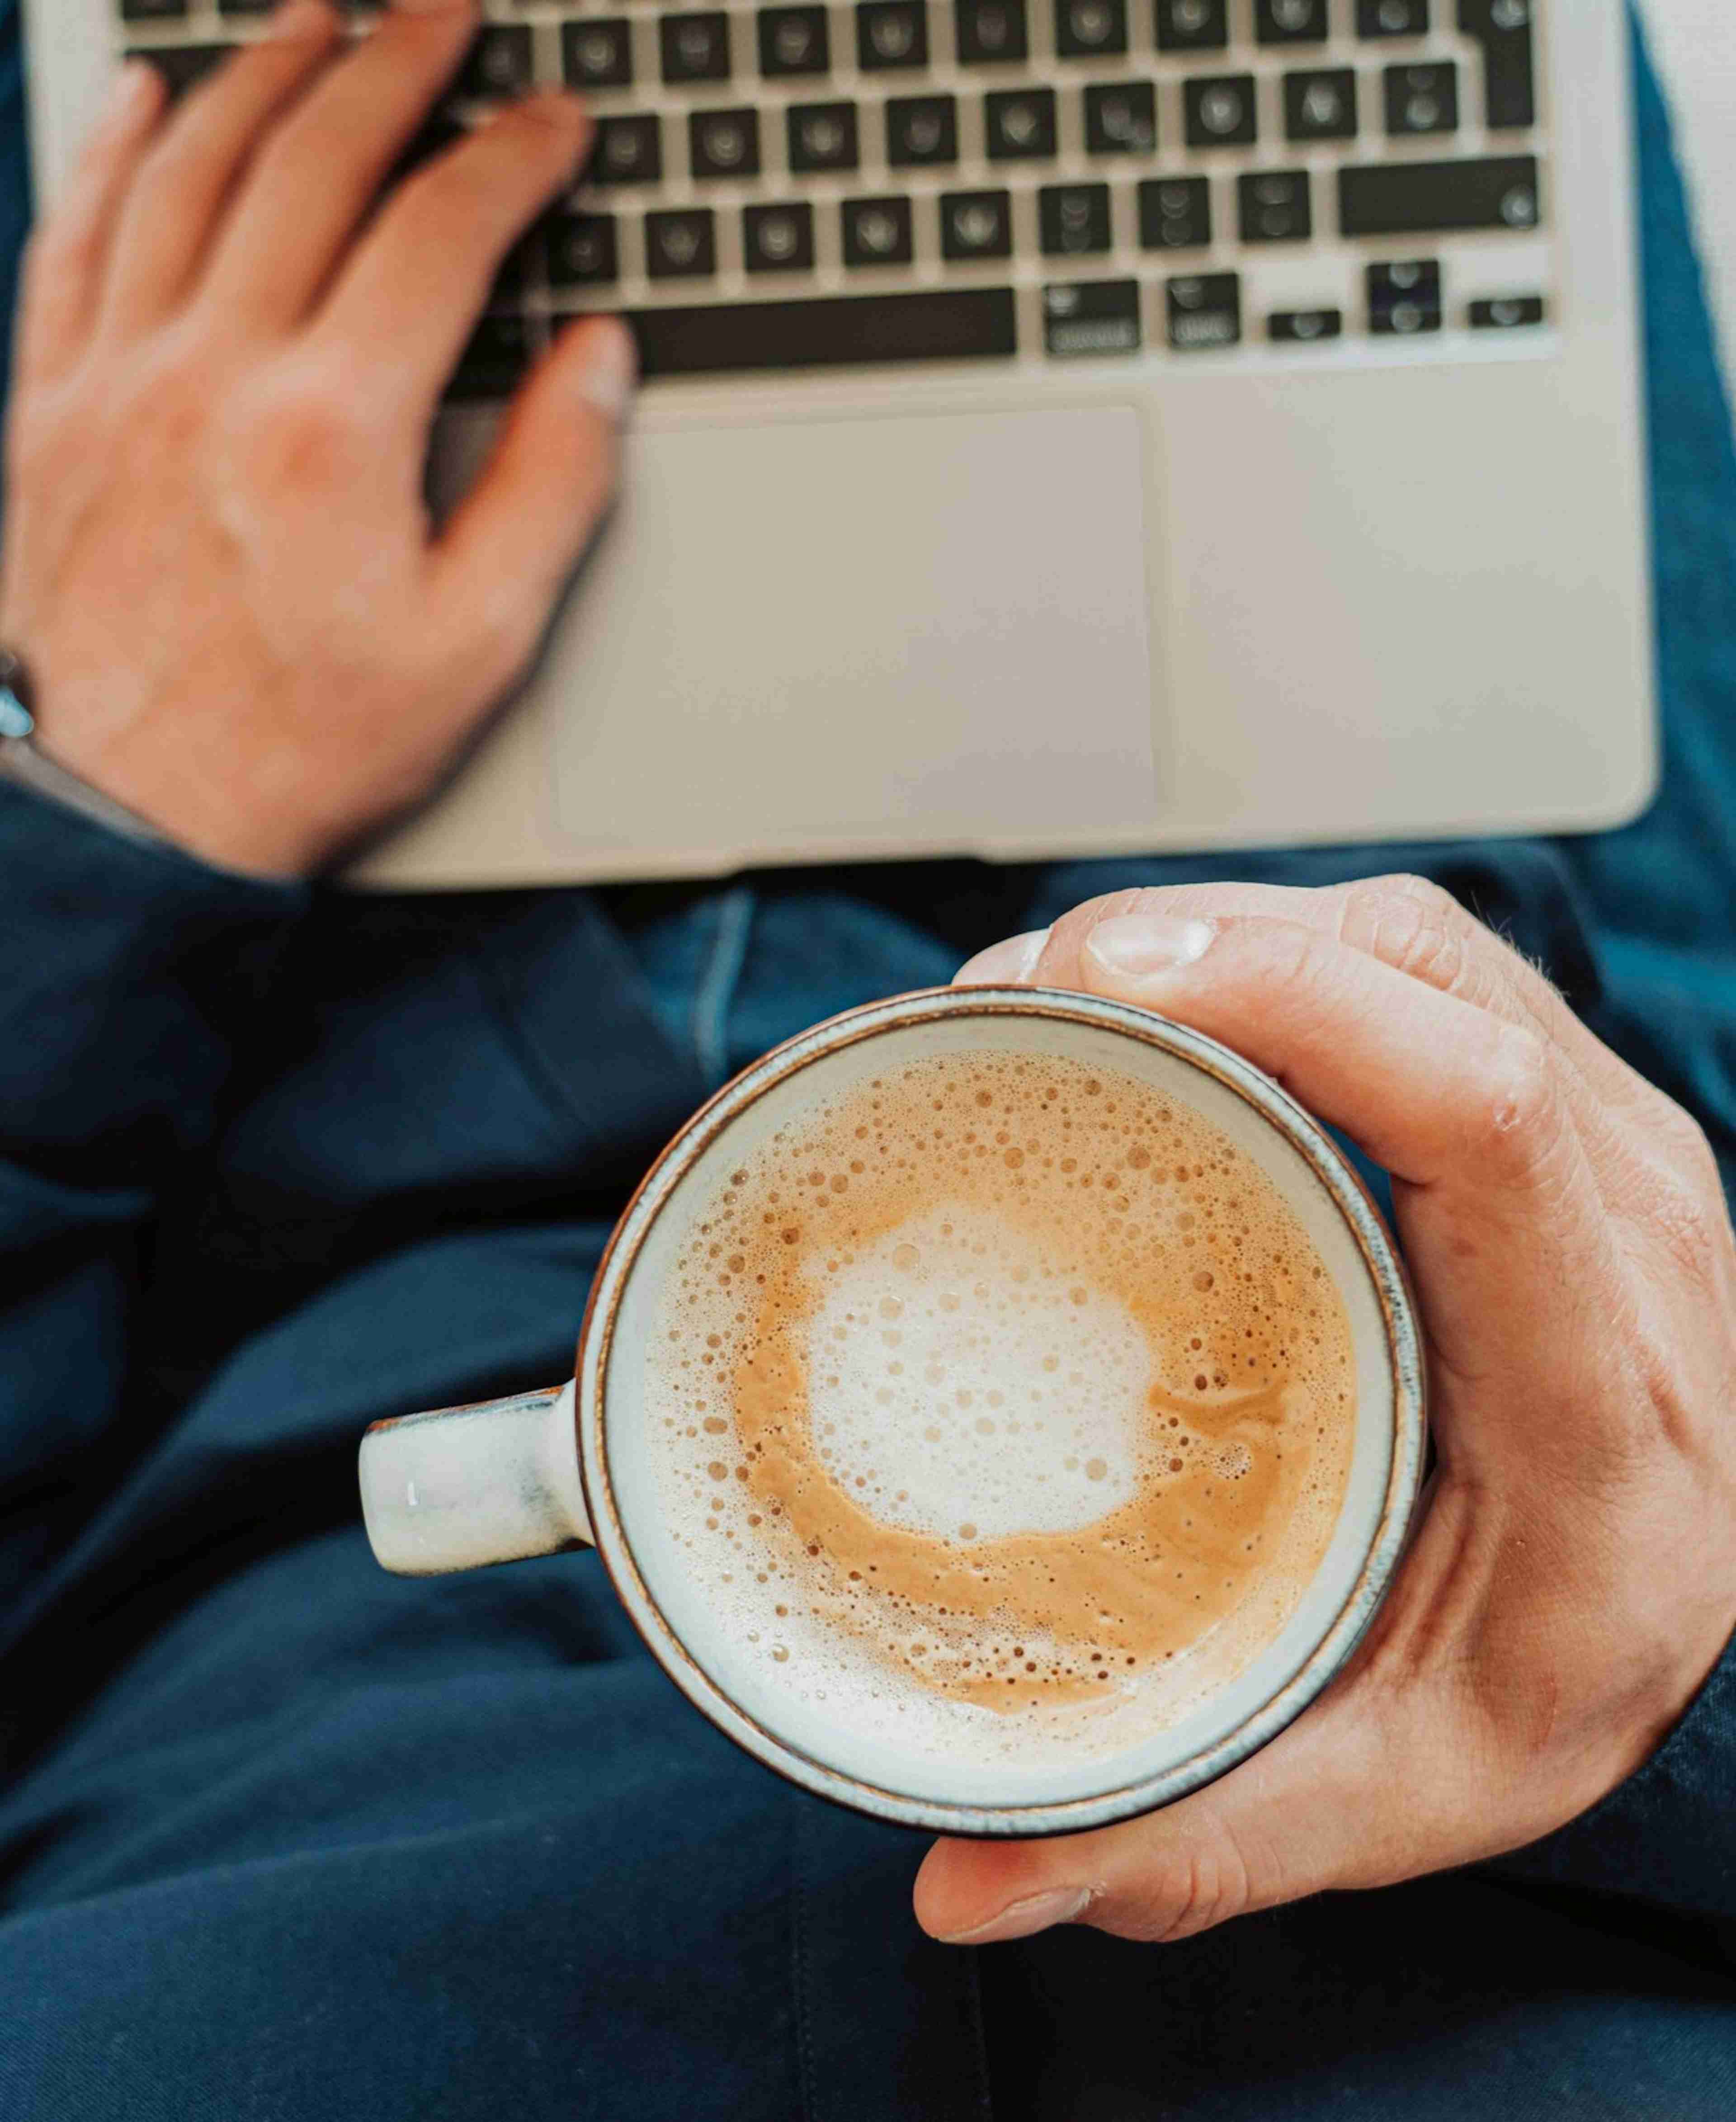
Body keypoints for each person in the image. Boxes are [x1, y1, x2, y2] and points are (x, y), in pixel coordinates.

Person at [2, 4, 1734, 2114]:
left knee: (217, 198)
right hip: (1398, 1151)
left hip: (262, 1021)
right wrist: (1682, 1689)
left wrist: (103, 821)